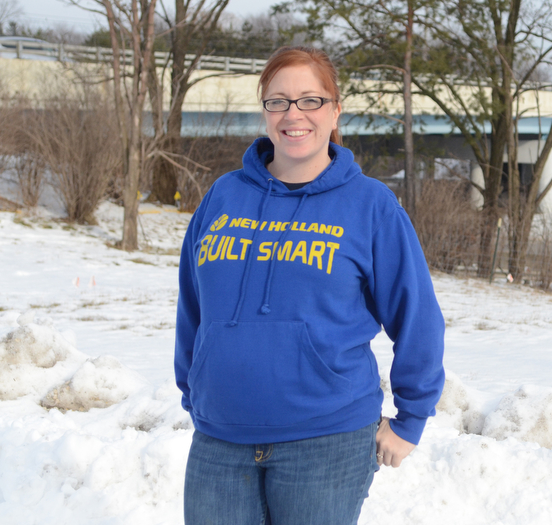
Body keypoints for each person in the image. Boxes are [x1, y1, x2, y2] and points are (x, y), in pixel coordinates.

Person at [174, 45, 445, 525]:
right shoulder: (223, 195)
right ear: (264, 111)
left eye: (310, 100)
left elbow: (417, 315)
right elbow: (194, 306)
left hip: (326, 442)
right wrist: (194, 390)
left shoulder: (371, 205)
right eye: (277, 101)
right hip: (219, 439)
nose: (292, 114)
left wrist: (411, 418)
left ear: (335, 110)